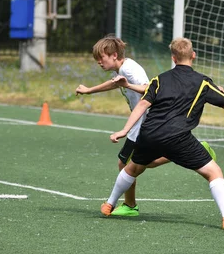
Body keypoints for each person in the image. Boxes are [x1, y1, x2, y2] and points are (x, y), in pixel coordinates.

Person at [101, 37, 224, 230]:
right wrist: (221, 91)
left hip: (149, 133)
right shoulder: (203, 82)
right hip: (178, 137)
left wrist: (124, 130)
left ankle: (109, 204)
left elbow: (142, 104)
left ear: (173, 58)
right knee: (214, 172)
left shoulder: (159, 79)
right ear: (193, 56)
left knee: (131, 168)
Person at [76, 35, 216, 217]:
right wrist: (89, 90)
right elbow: (114, 84)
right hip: (143, 123)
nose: (98, 62)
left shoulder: (130, 69)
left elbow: (149, 88)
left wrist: (127, 86)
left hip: (147, 122)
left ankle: (130, 205)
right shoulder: (121, 68)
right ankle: (130, 204)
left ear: (114, 55)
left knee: (128, 164)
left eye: (101, 58)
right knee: (134, 164)